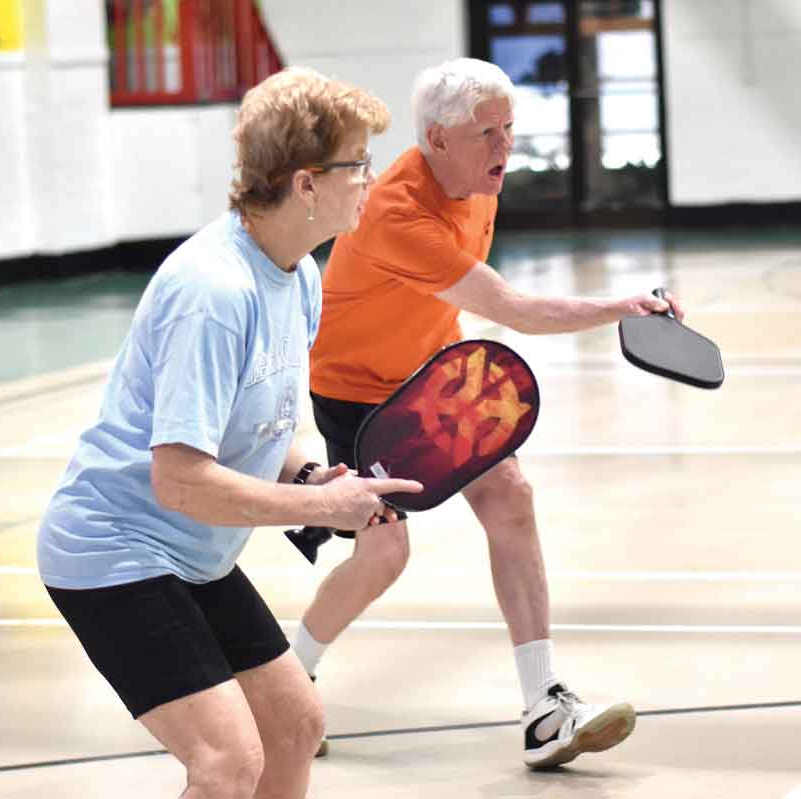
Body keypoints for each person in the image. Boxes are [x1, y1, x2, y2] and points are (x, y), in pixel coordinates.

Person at [36, 67, 421, 799]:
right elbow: (179, 479)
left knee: (295, 725)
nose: (370, 179)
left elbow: (265, 427)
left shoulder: (298, 272)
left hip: (188, 553)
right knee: (227, 761)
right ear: (306, 184)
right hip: (114, 551)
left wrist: (313, 477)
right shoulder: (214, 292)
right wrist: (318, 511)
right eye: (357, 165)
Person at [295, 58, 684, 769]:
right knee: (384, 552)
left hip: (434, 369)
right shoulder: (395, 211)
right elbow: (511, 307)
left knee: (511, 494)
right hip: (359, 388)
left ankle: (544, 709)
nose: (504, 146)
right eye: (486, 133)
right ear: (438, 139)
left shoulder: (477, 184)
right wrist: (618, 307)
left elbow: (466, 302)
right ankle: (286, 680)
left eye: (509, 128)